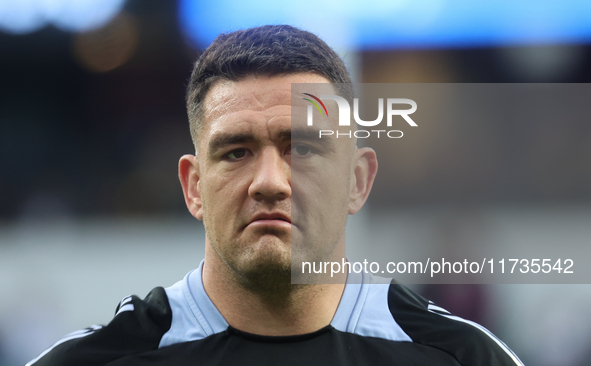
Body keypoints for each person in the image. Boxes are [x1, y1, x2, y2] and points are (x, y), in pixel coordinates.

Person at [26, 25, 523, 366]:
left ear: (357, 180)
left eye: (302, 149)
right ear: (193, 186)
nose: (270, 181)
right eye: (237, 152)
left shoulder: (462, 358)